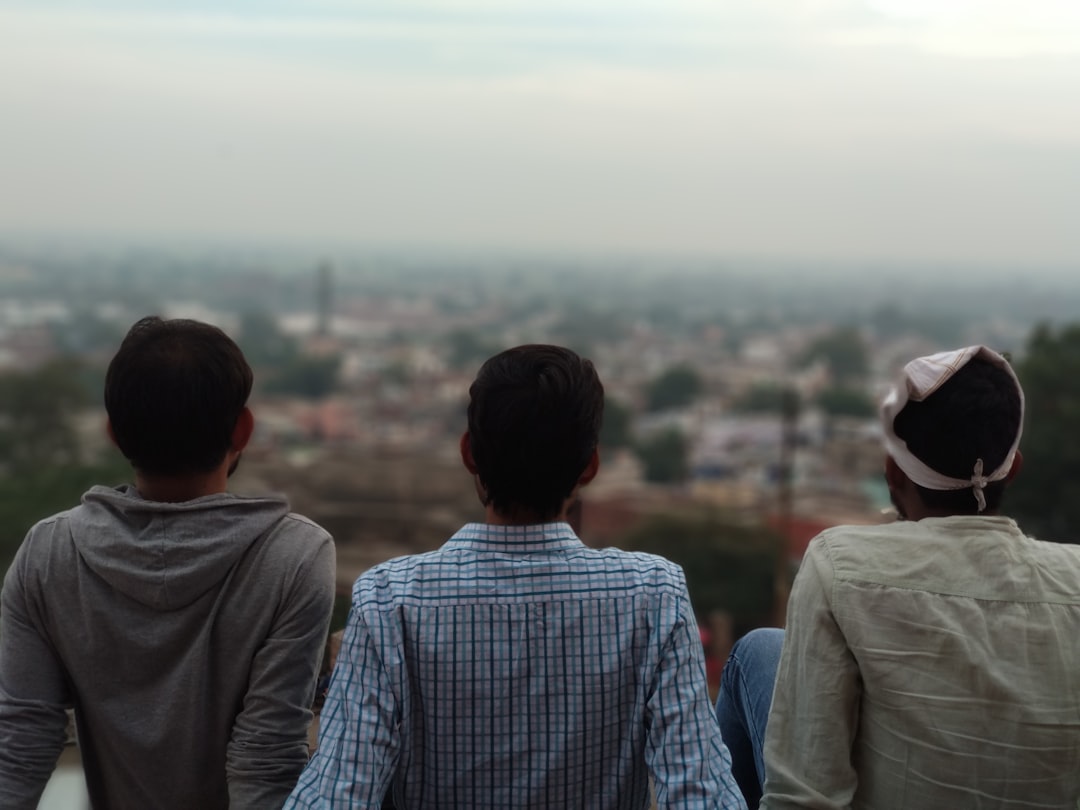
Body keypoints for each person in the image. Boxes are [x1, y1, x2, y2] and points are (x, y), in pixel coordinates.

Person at [287, 344, 746, 810]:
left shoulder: (389, 601)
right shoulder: (654, 596)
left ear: (470, 454)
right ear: (590, 465)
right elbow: (699, 793)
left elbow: (338, 794)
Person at [716, 345, 1080, 809]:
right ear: (1015, 468)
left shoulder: (839, 564)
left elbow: (804, 796)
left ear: (893, 471)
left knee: (757, 650)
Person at [0, 316, 336, 810]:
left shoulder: (50, 552)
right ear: (243, 427)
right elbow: (264, 759)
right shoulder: (294, 557)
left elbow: (20, 745)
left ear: (114, 432)